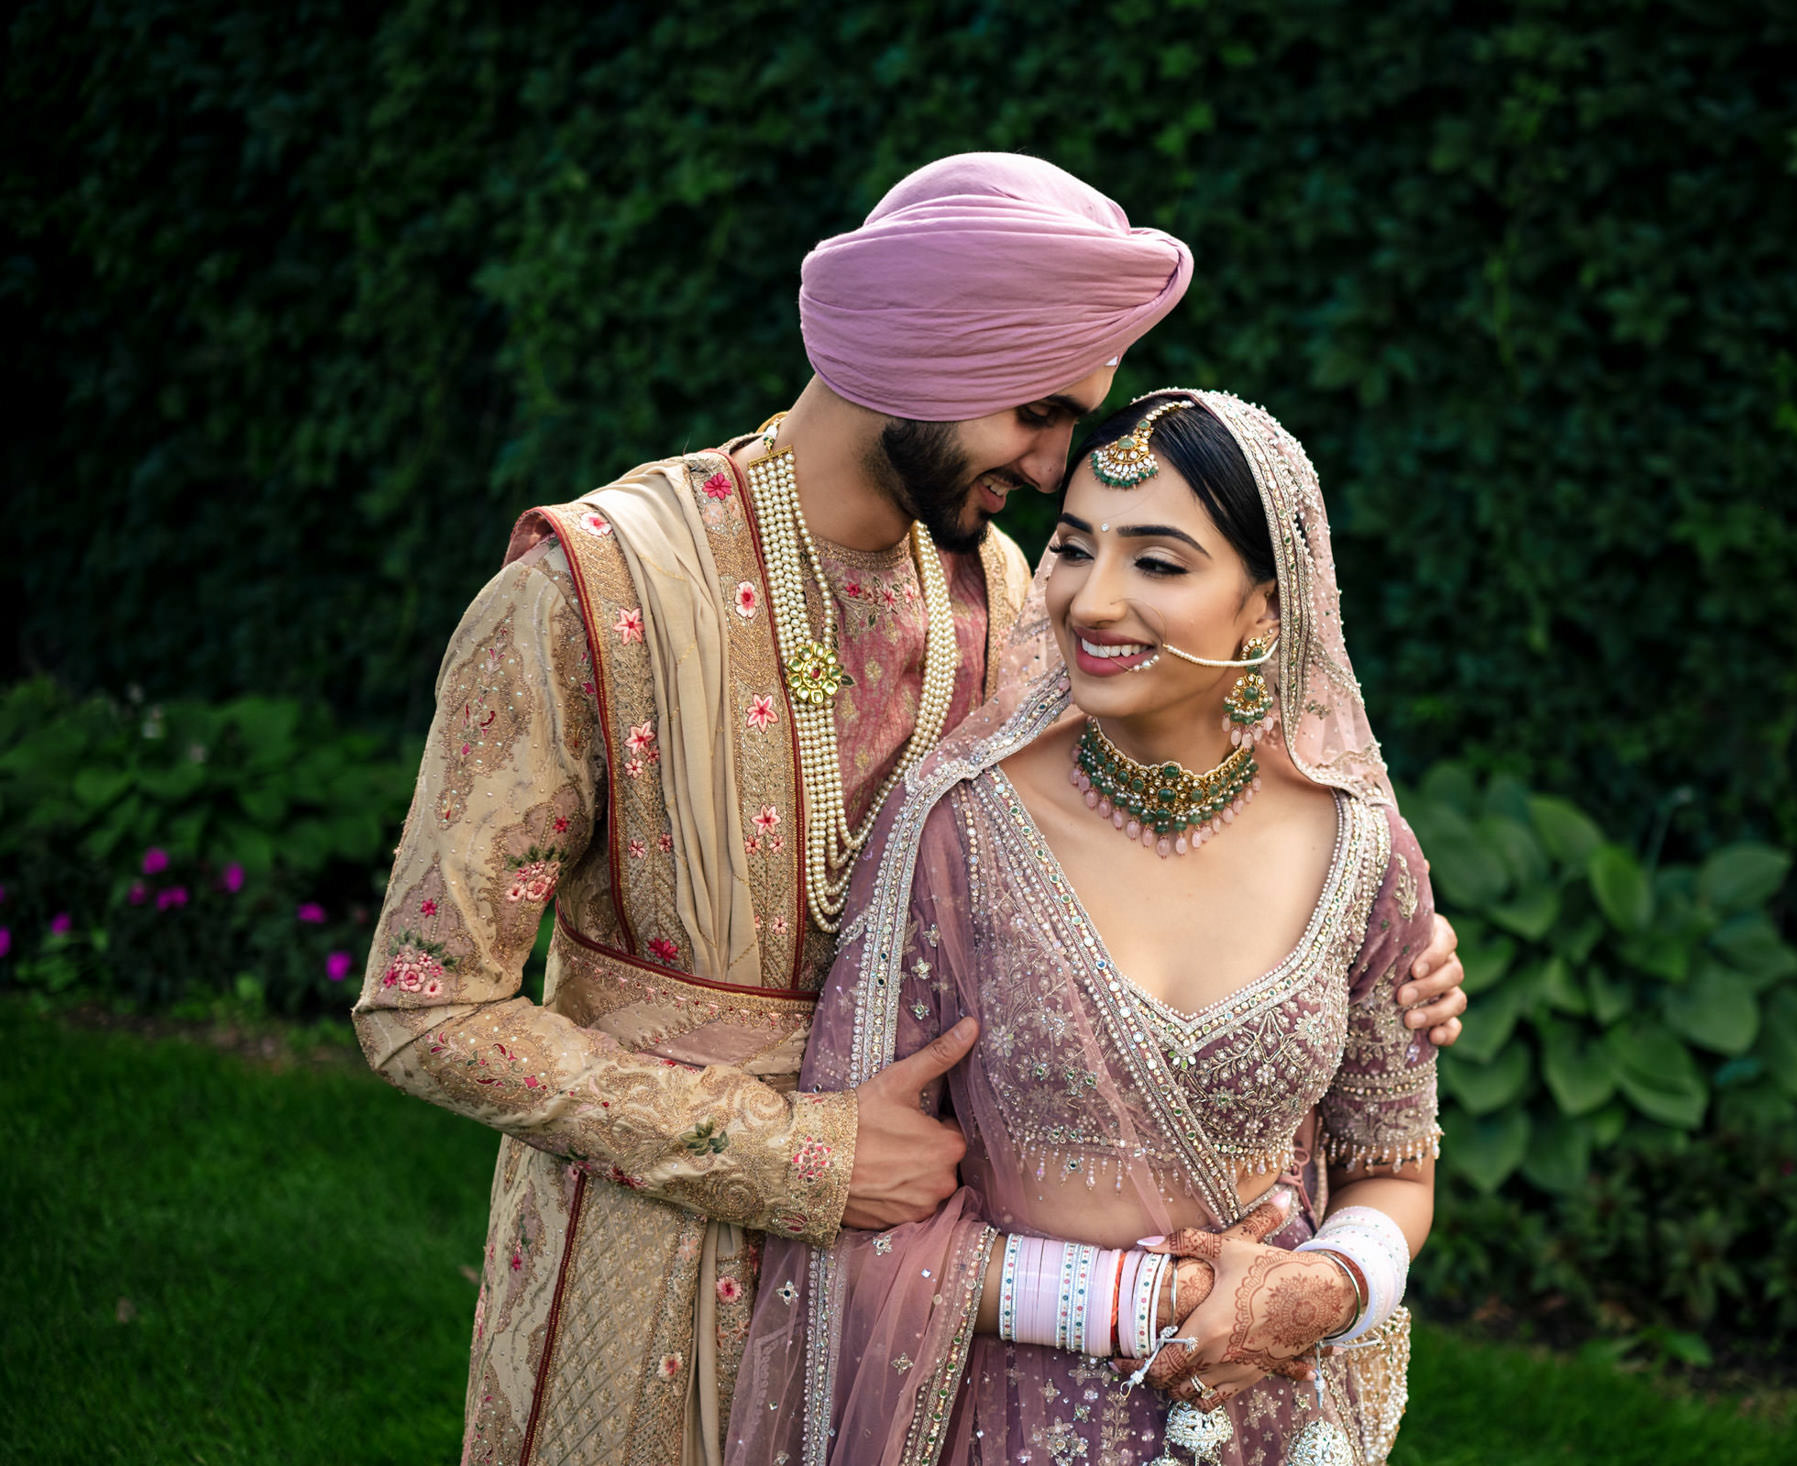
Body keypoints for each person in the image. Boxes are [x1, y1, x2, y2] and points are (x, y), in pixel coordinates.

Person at [350, 158, 1471, 1466]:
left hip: (950, 1302)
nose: (1059, 468)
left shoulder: (1020, 595)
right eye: (1040, 414)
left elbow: (1195, 818)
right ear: (929, 358)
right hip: (649, 1265)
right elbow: (422, 1005)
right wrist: (796, 1153)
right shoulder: (597, 593)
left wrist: (1380, 957)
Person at [726, 390, 1444, 1466]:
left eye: (1157, 562)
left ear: (1265, 604)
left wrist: (1331, 1283)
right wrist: (1151, 1299)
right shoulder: (960, 826)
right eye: (1071, 546)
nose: (1091, 600)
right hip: (1001, 1411)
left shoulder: (1361, 851)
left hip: (1264, 1411)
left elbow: (1393, 1158)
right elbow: (858, 1201)